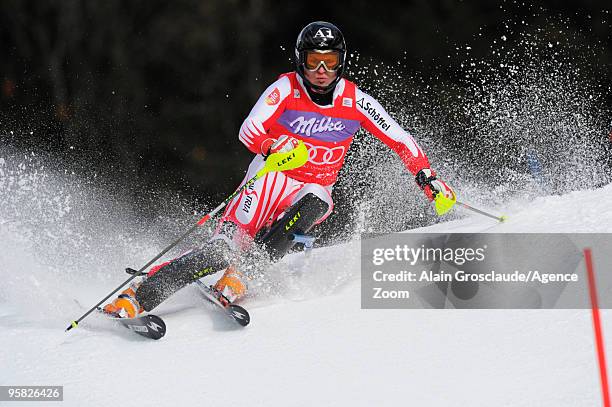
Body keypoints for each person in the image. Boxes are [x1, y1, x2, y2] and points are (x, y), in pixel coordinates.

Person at [103, 21, 456, 318]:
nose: (321, 72)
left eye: (329, 62)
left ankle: (241, 276)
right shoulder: (285, 88)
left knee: (317, 202)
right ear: (301, 61)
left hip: (311, 187)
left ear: (341, 63)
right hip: (269, 176)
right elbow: (249, 128)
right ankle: (137, 296)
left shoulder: (356, 101)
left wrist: (427, 176)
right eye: (314, 62)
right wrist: (272, 146)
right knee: (221, 250)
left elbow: (399, 138)